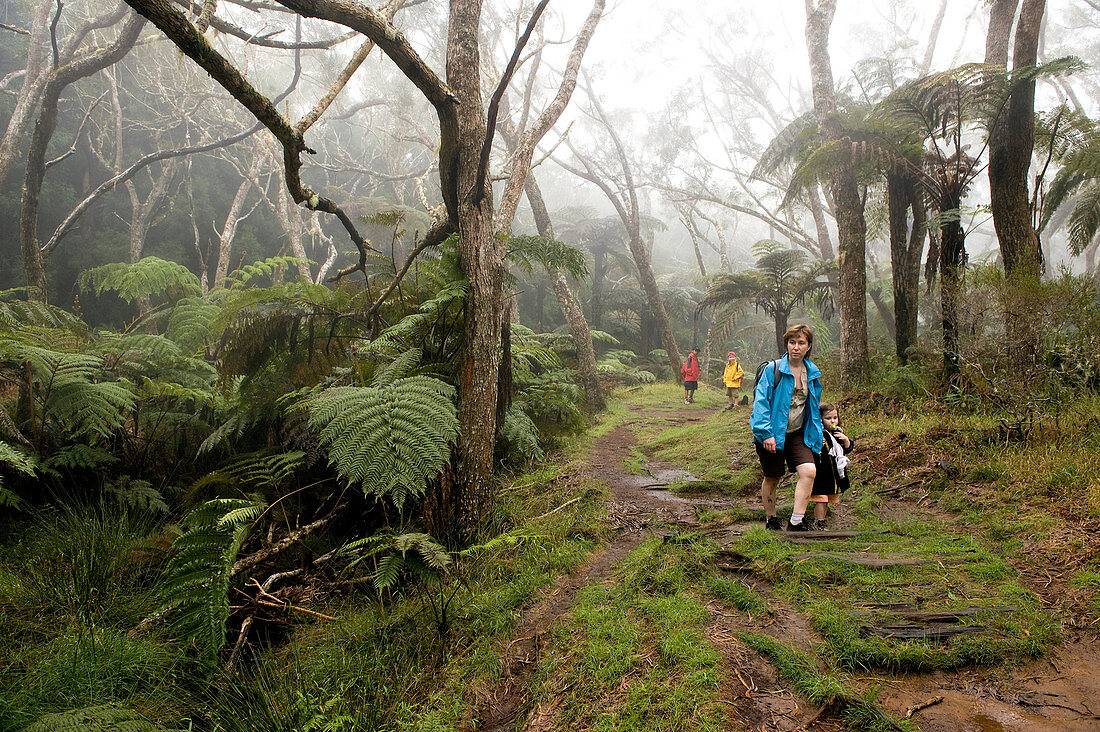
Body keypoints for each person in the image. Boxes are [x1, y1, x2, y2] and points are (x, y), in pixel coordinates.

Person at [750, 324, 823, 532]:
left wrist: (818, 432)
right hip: (772, 434)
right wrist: (766, 434)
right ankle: (771, 518)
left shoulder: (813, 373)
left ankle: (796, 521)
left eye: (801, 343)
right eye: (792, 342)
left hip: (798, 433)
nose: (796, 347)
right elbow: (761, 404)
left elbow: (813, 407)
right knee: (772, 477)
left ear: (808, 346)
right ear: (787, 344)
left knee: (809, 471)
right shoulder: (773, 370)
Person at [809, 402, 854, 530]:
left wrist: (845, 440)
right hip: (822, 473)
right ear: (821, 419)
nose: (832, 421)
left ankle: (822, 521)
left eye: (835, 417)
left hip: (833, 474)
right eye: (828, 418)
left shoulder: (837, 433)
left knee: (828, 498)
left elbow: (847, 449)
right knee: (821, 498)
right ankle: (819, 521)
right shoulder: (820, 434)